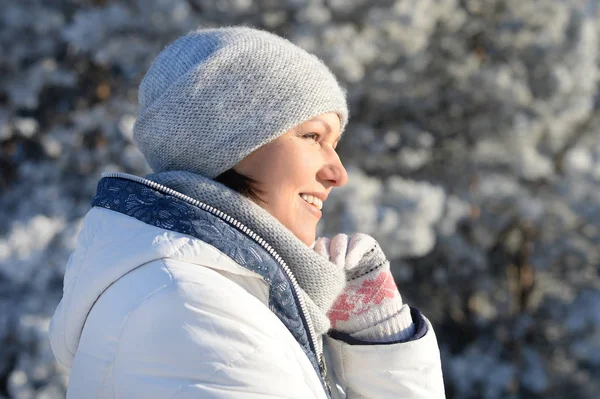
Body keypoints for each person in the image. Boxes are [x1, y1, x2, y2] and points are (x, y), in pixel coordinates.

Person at [49, 26, 445, 398]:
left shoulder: (226, 295)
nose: (338, 173)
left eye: (335, 143)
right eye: (312, 136)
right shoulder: (194, 308)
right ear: (228, 141)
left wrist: (381, 345)